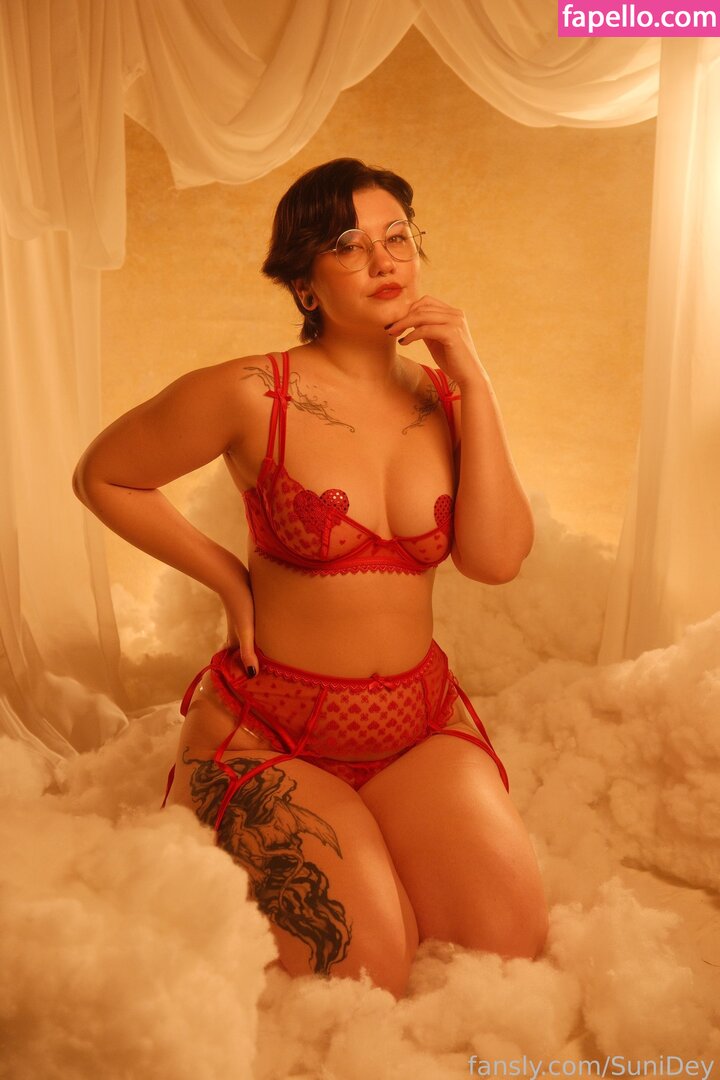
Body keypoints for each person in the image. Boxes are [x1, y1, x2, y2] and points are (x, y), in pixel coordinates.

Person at [73, 157, 548, 998]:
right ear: (304, 283)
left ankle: (383, 835)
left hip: (416, 726)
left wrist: (474, 379)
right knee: (365, 971)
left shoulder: (446, 399)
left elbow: (496, 559)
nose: (384, 260)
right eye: (348, 245)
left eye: (398, 237)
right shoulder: (253, 391)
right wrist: (229, 579)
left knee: (506, 946)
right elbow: (103, 475)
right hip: (273, 729)